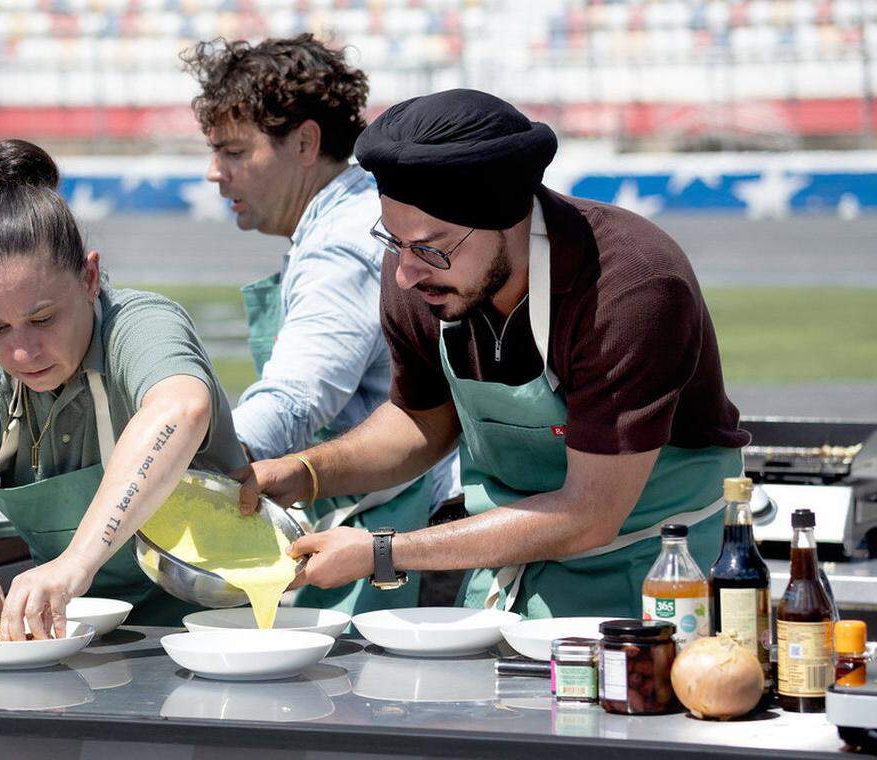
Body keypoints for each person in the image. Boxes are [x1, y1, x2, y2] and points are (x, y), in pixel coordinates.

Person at [237, 89, 750, 619]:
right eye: (394, 242)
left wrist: (383, 553)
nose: (406, 273)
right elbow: (421, 421)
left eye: (431, 247)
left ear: (508, 216)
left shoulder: (629, 289)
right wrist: (304, 472)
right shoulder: (422, 275)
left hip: (656, 572)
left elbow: (590, 514)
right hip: (506, 559)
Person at [0, 139, 245, 639]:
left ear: (90, 276)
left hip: (212, 625)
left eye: (43, 319)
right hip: (68, 630)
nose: (23, 353)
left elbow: (183, 408)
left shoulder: (141, 325)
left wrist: (76, 563)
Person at [182, 35, 458, 615]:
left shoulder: (339, 245)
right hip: (397, 513)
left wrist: (189, 469)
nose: (214, 173)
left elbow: (293, 399)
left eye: (233, 152)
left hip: (411, 527)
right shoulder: (360, 213)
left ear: (306, 142)